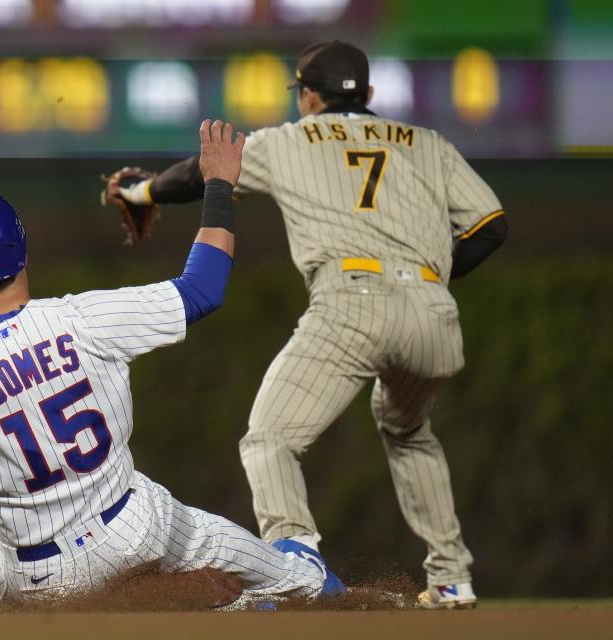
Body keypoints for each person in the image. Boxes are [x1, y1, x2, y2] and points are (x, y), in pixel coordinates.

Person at [0, 119, 345, 617]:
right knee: (294, 576)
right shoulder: (81, 319)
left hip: (36, 579)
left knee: (0, 564)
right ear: (21, 248)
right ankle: (295, 592)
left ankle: (207, 611)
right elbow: (202, 289)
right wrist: (217, 184)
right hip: (130, 531)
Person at [105, 41, 507, 610]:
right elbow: (491, 226)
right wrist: (430, 282)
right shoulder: (429, 143)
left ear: (310, 97)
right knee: (410, 432)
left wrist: (140, 190)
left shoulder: (290, 139)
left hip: (352, 302)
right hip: (432, 315)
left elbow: (204, 172)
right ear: (367, 95)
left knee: (270, 440)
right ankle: (451, 577)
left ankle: (296, 559)